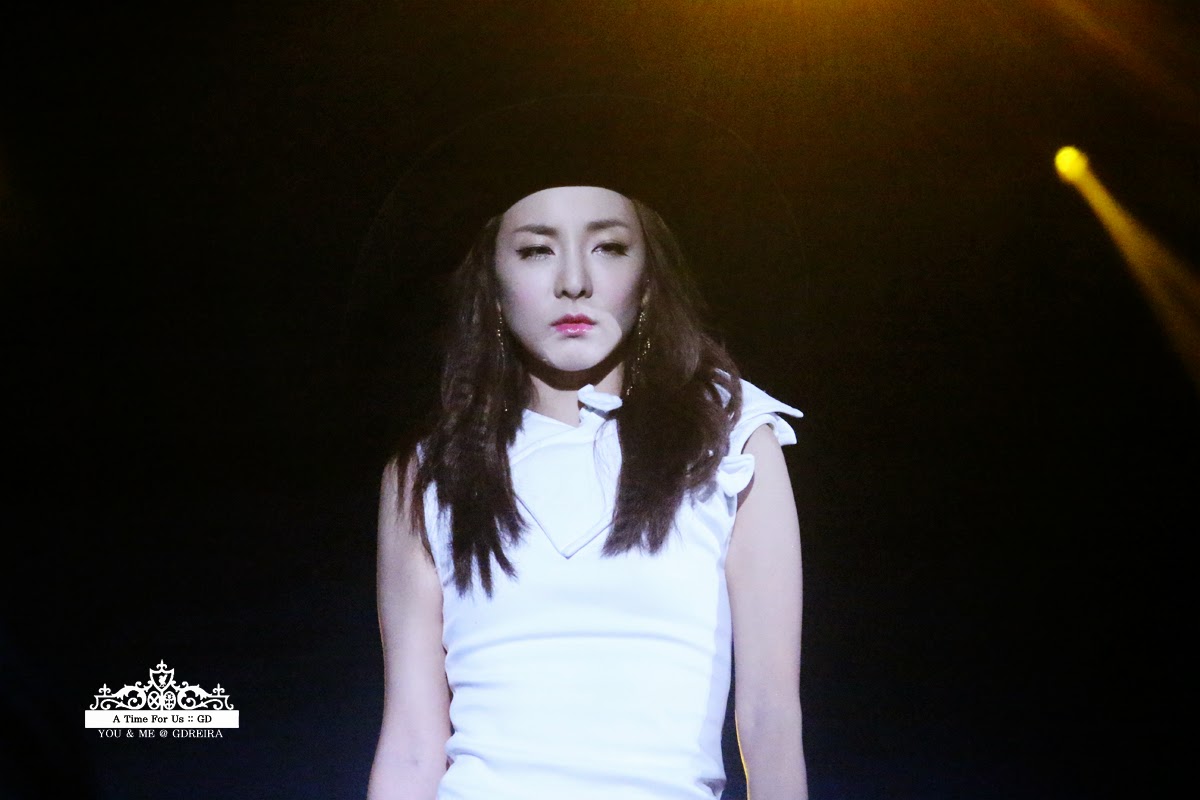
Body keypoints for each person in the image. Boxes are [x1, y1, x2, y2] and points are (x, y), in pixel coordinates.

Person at [365, 177, 807, 800]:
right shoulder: (429, 471)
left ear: (649, 275)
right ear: (491, 282)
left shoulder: (732, 440)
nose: (574, 281)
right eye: (536, 250)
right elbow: (412, 743)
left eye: (608, 247)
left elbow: (769, 716)